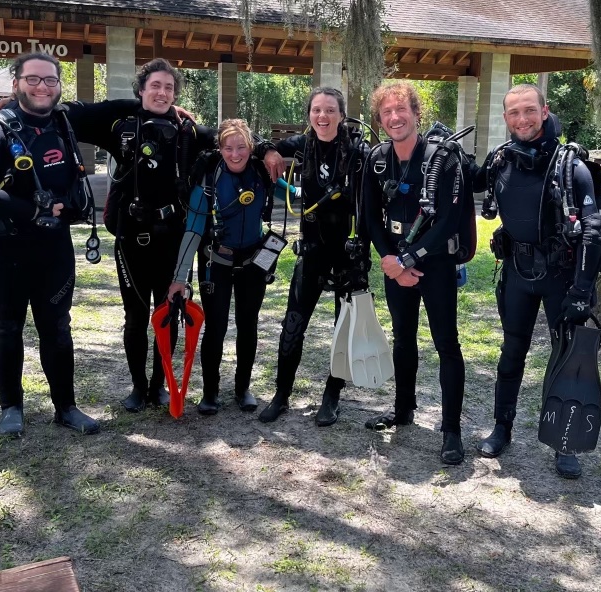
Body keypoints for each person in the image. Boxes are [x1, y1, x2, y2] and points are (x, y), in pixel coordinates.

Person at [63, 59, 283, 413]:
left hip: (171, 237)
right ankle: (138, 387)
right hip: (131, 238)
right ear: (141, 89)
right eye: (155, 86)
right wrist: (11, 107)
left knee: (171, 310)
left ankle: (159, 384)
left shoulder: (188, 132)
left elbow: (231, 135)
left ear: (176, 94)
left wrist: (266, 148)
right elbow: (70, 115)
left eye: (169, 87)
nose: (162, 92)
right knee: (134, 316)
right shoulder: (121, 124)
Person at [0, 52, 100, 436]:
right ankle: (10, 407)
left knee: (57, 327)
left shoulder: (65, 122)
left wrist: (169, 106)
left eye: (50, 80)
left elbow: (117, 108)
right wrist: (29, 210)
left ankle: (66, 408)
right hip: (2, 248)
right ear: (16, 82)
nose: (42, 87)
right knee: (6, 326)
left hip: (52, 246)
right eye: (33, 79)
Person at [474, 84, 601, 479]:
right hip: (517, 271)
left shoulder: (571, 167)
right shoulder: (502, 161)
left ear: (544, 111)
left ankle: (565, 443)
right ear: (505, 118)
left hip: (561, 276)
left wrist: (582, 288)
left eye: (529, 111)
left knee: (566, 357)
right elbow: (469, 183)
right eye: (514, 113)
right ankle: (502, 427)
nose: (523, 119)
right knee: (511, 352)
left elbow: (592, 230)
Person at [361, 80, 466, 466]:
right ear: (380, 117)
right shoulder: (376, 159)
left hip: (433, 263)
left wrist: (407, 260)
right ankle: (404, 408)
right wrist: (390, 260)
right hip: (395, 263)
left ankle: (451, 429)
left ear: (416, 113)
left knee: (446, 343)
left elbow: (449, 220)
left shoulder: (443, 158)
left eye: (401, 109)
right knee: (403, 338)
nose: (394, 117)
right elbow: (370, 217)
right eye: (386, 112)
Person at [258, 87, 370, 426]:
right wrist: (269, 152)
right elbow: (258, 144)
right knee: (292, 324)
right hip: (312, 248)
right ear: (309, 114)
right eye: (316, 110)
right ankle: (281, 394)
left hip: (349, 251)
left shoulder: (359, 150)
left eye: (330, 110)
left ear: (341, 114)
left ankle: (331, 396)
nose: (323, 117)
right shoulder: (301, 145)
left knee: (343, 328)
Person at [167, 119, 276, 413]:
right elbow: (192, 231)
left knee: (248, 325)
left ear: (251, 148)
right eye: (228, 148)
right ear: (220, 148)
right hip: (217, 261)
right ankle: (210, 393)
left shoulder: (262, 174)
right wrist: (179, 278)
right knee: (215, 327)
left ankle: (242, 390)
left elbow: (296, 195)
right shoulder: (208, 180)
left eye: (241, 147)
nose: (235, 154)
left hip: (254, 262)